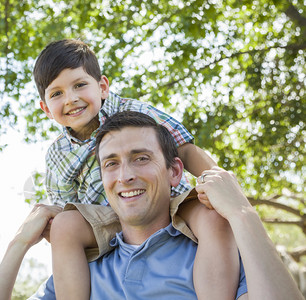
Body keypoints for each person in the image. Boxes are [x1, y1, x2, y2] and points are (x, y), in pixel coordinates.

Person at [0, 111, 303, 300]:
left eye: (141, 158)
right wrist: (18, 245)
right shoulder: (80, 273)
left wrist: (242, 214)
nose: (125, 176)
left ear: (174, 171)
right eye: (111, 163)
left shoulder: (217, 255)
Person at [33, 39, 238, 299]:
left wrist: (217, 182)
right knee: (64, 225)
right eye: (56, 94)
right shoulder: (57, 154)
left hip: (166, 201)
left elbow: (184, 149)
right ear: (46, 109)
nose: (71, 99)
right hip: (107, 219)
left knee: (212, 217)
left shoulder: (131, 111)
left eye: (80, 85)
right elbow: (65, 205)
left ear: (103, 87)